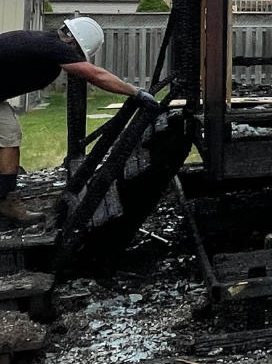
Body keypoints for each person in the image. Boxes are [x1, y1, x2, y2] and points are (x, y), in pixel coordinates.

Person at [0, 17, 158, 225]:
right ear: (73, 42)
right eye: (79, 54)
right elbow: (95, 75)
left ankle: (5, 200)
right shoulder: (53, 46)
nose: (77, 58)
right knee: (8, 136)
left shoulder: (42, 42)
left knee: (9, 135)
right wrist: (135, 92)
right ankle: (5, 198)